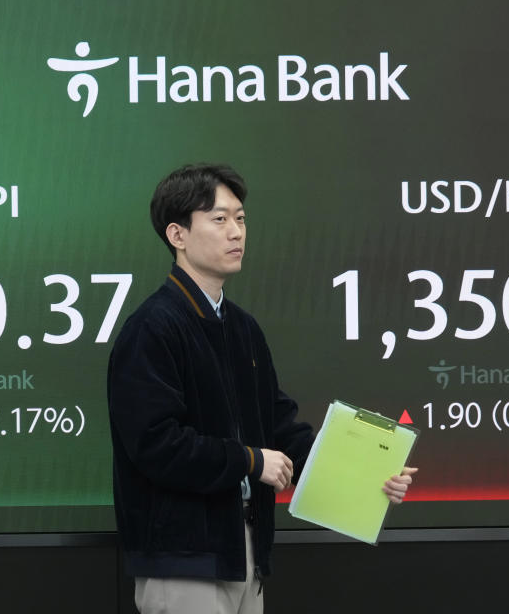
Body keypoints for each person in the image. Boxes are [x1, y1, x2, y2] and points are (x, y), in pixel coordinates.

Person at [107, 164, 417, 614]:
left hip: (246, 557)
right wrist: (251, 461)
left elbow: (280, 427)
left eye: (241, 218)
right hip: (184, 564)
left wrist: (372, 473)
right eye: (218, 219)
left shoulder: (244, 329)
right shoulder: (152, 329)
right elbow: (156, 445)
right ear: (177, 235)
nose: (235, 232)